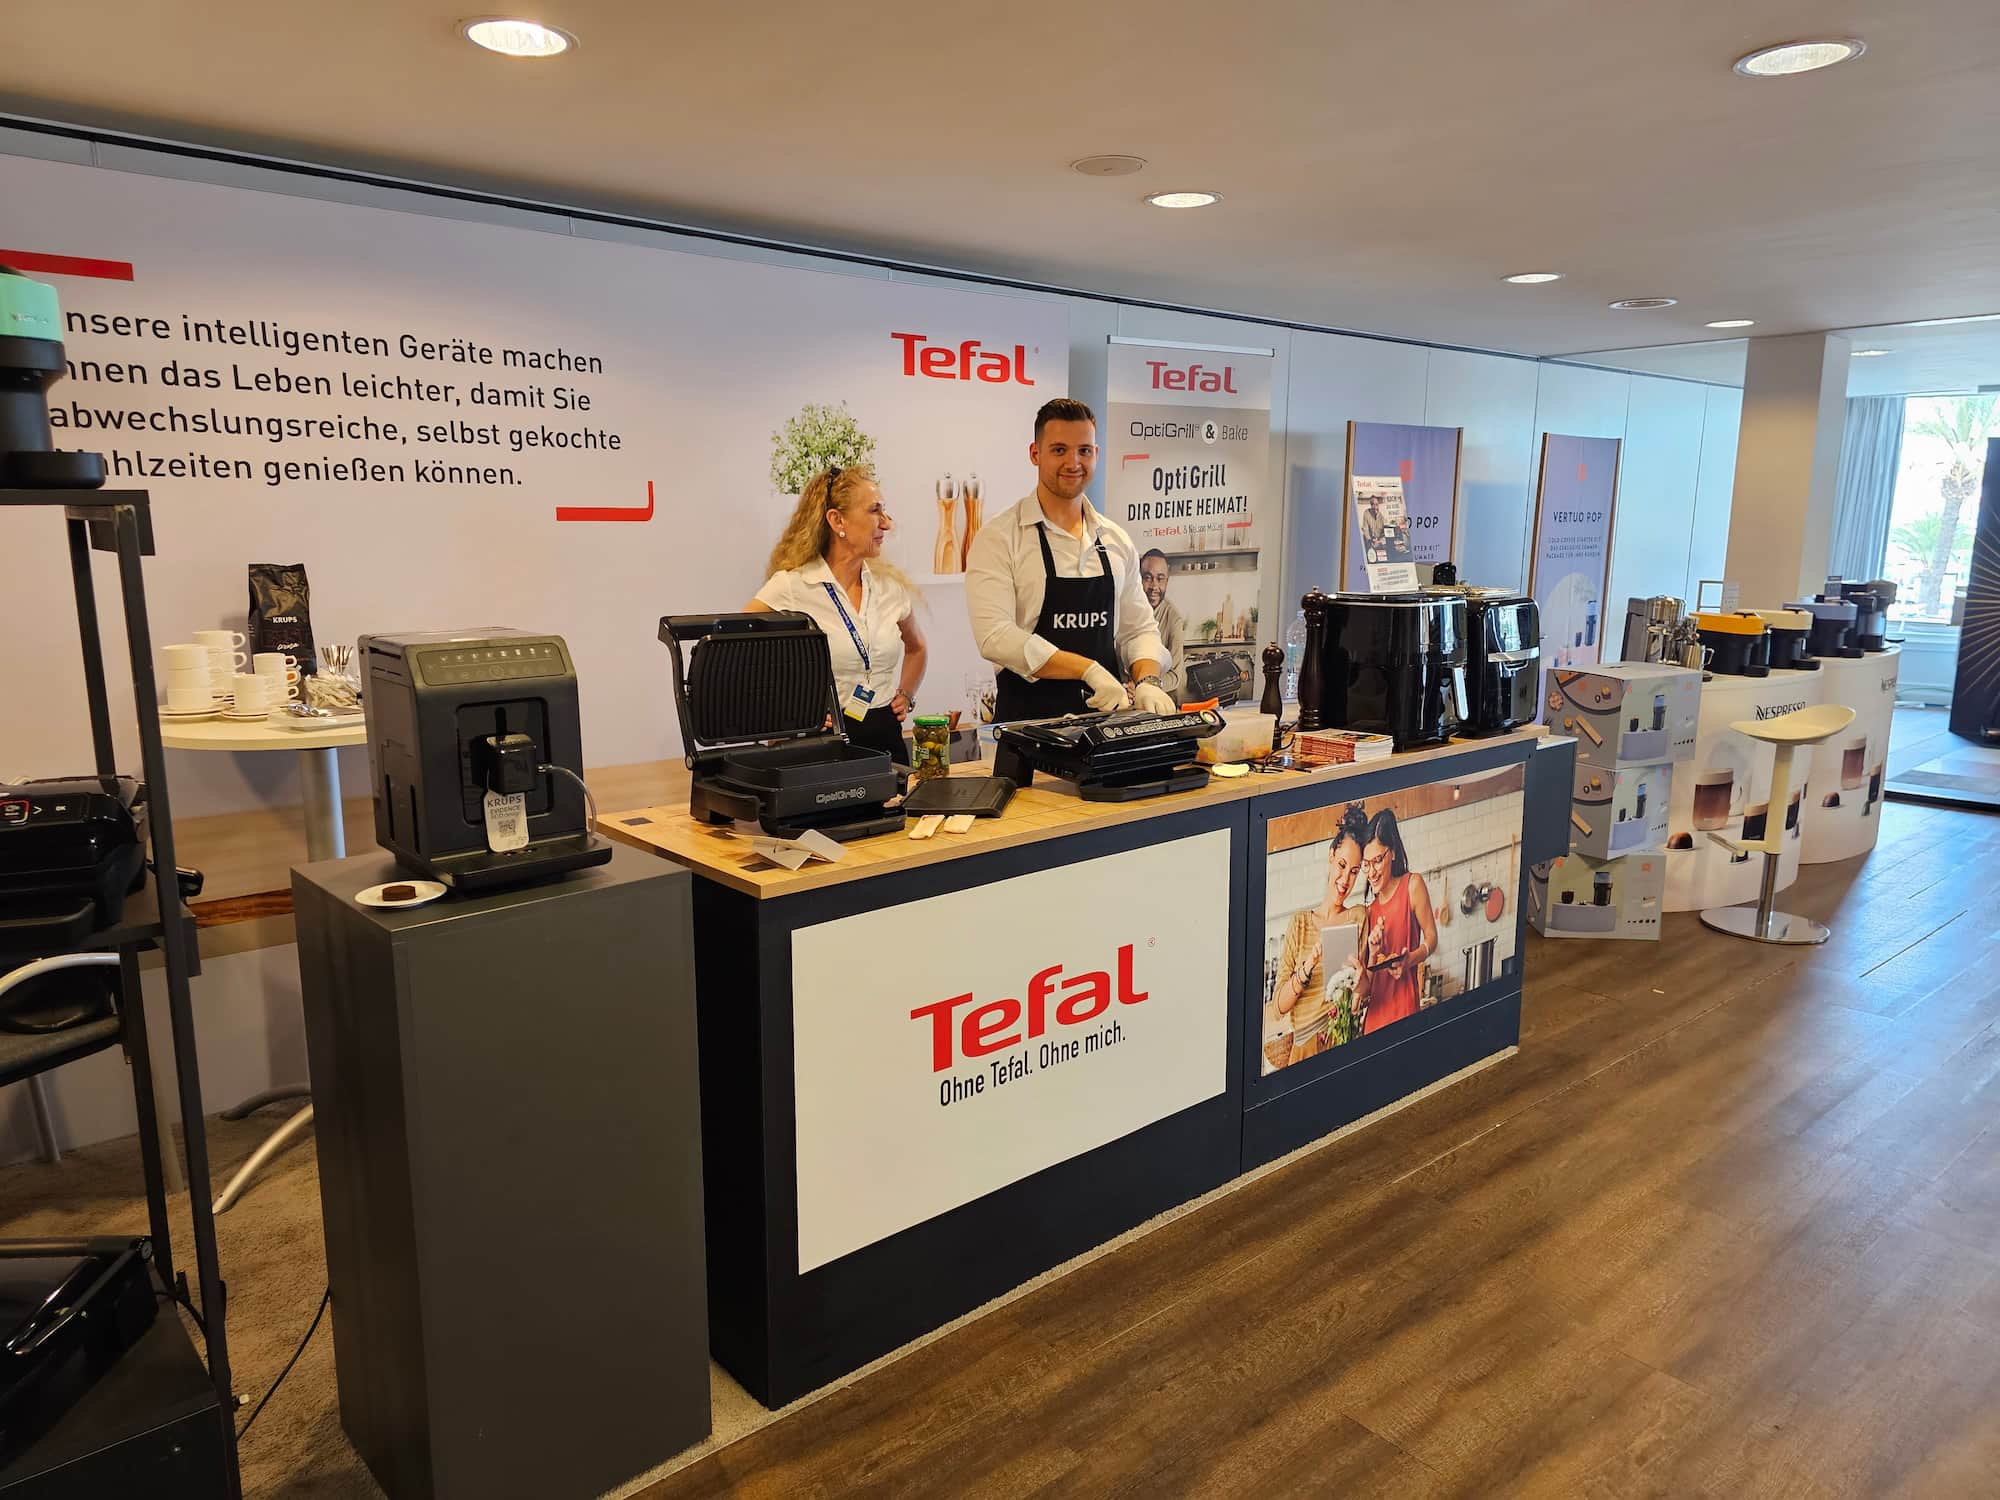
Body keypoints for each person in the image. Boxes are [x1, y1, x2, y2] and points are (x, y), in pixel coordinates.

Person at [965, 398, 1174, 721]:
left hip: (1105, 728)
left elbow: (1138, 630)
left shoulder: (1116, 540)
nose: (1073, 462)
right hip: (1029, 730)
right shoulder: (1000, 538)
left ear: (1096, 454)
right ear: (1035, 454)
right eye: (1059, 450)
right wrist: (1088, 669)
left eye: (1084, 451)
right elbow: (995, 636)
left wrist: (1148, 681)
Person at [748, 464, 926, 762]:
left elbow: (917, 648)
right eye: (875, 510)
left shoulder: (889, 587)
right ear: (836, 519)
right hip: (820, 744)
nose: (887, 523)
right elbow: (738, 655)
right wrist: (786, 713)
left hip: (885, 737)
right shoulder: (792, 586)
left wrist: (906, 694)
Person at [1270, 803, 1370, 1065]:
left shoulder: (1358, 918)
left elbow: (1360, 999)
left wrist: (1361, 982)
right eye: (1342, 865)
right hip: (1303, 1053)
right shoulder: (1300, 924)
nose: (1345, 879)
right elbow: (1279, 1007)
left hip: (1341, 1044)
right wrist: (1307, 967)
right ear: (1331, 855)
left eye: (1354, 872)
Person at [1359, 808, 1438, 1035]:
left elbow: (1432, 939)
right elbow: (1367, 985)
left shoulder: (1412, 886)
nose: (1371, 872)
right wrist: (1372, 955)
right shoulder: (1368, 912)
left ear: (1392, 853)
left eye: (1377, 861)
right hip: (1374, 1021)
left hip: (1405, 1012)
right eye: (1366, 864)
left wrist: (1410, 959)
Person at [1138, 548, 1188, 703]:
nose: (1154, 586)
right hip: (1129, 700)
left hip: (1162, 702)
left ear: (1167, 581)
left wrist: (1145, 686)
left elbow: (1175, 676)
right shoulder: (1127, 612)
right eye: (1148, 578)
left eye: (1160, 579)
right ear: (1138, 578)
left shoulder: (1174, 619)